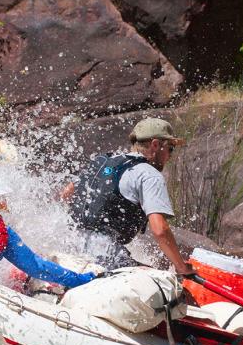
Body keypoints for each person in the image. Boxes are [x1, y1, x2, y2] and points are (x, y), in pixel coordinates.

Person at [64, 117, 194, 275]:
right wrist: (182, 267)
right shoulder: (149, 175)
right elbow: (160, 230)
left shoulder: (103, 161)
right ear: (155, 145)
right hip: (104, 254)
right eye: (170, 148)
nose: (170, 155)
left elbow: (66, 194)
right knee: (167, 280)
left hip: (70, 244)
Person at [0, 195, 98, 289]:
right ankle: (82, 281)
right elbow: (2, 206)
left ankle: (81, 281)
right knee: (36, 266)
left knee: (36, 266)